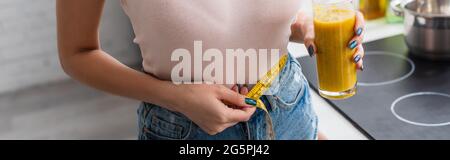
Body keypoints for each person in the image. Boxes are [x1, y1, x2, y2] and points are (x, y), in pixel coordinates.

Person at [56, 0, 365, 140]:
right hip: (187, 131)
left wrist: (306, 26)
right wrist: (174, 96)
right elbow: (77, 53)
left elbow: (269, 16)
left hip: (288, 110)